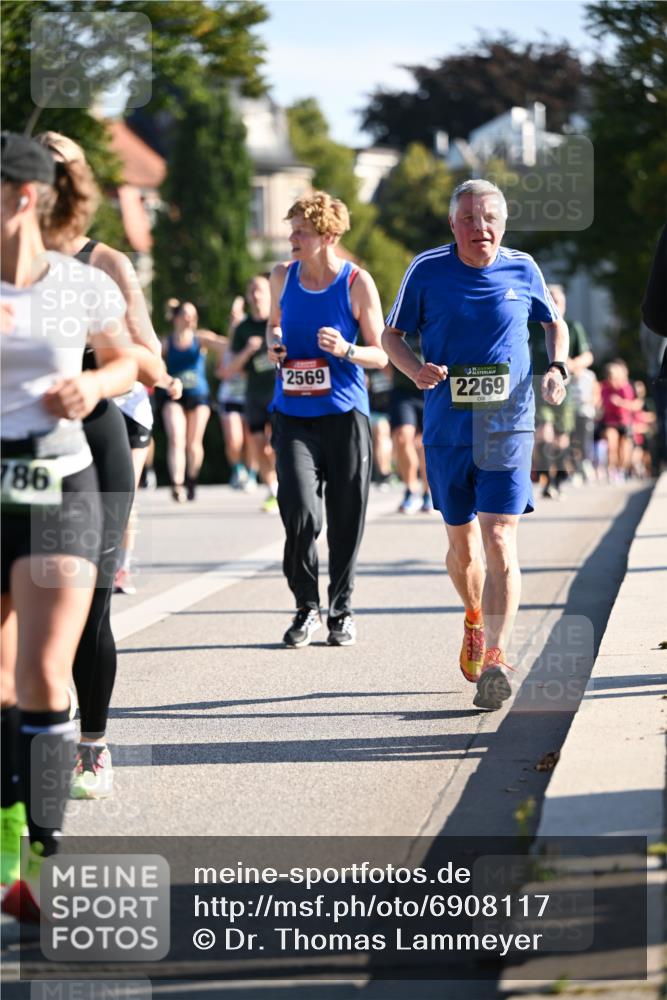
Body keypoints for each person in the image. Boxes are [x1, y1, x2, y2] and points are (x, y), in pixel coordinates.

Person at [0, 132, 138, 917]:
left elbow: (130, 360)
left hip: (58, 482)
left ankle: (39, 862)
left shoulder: (80, 283)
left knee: (45, 675)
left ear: (23, 197)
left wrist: (93, 388)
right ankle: (5, 843)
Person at [382, 178, 569, 711]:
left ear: (502, 223)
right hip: (447, 431)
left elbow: (553, 326)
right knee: (463, 547)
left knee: (501, 537)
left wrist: (555, 369)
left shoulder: (523, 267)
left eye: (488, 218)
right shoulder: (426, 270)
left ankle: (496, 656)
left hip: (508, 425)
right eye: (468, 218)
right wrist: (416, 370)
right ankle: (472, 617)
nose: (479, 228)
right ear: (452, 224)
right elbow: (391, 337)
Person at [35, 131, 167, 800]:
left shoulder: (102, 263)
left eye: (60, 173)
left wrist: (96, 366)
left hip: (94, 438)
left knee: (89, 607)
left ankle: (92, 744)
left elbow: (148, 357)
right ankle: (39, 723)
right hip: (21, 445)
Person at [267, 191, 387, 647]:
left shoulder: (356, 282)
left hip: (344, 414)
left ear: (328, 235)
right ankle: (306, 607)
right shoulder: (282, 276)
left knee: (345, 516)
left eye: (301, 231)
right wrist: (274, 343)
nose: (292, 238)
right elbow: (272, 326)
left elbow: (382, 354)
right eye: (291, 229)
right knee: (299, 510)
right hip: (293, 414)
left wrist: (347, 350)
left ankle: (341, 610)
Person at [529, 284, 593, 498]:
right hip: (538, 387)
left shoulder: (572, 327)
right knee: (543, 434)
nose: (554, 304)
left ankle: (558, 478)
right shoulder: (533, 326)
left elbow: (587, 356)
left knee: (561, 437)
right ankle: (547, 480)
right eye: (551, 300)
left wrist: (569, 365)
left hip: (564, 389)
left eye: (558, 301)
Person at [161, 299, 227, 501]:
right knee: (176, 439)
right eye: (186, 314)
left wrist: (222, 367)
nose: (190, 317)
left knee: (193, 443)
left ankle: (191, 479)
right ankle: (177, 484)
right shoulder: (167, 342)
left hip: (199, 396)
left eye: (193, 314)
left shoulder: (201, 339)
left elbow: (228, 347)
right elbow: (152, 360)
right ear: (176, 317)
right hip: (174, 396)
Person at [224, 275, 279, 512]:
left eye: (260, 291)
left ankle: (284, 483)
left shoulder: (277, 322)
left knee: (274, 445)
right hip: (254, 395)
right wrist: (248, 350)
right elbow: (229, 369)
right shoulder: (243, 329)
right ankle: (272, 490)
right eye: (252, 291)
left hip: (280, 394)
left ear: (270, 294)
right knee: (258, 445)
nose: (256, 296)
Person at [389, 333, 434, 513]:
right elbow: (386, 346)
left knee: (425, 444)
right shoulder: (398, 316)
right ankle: (410, 489)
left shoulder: (433, 314)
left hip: (430, 389)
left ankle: (428, 493)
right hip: (403, 391)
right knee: (402, 437)